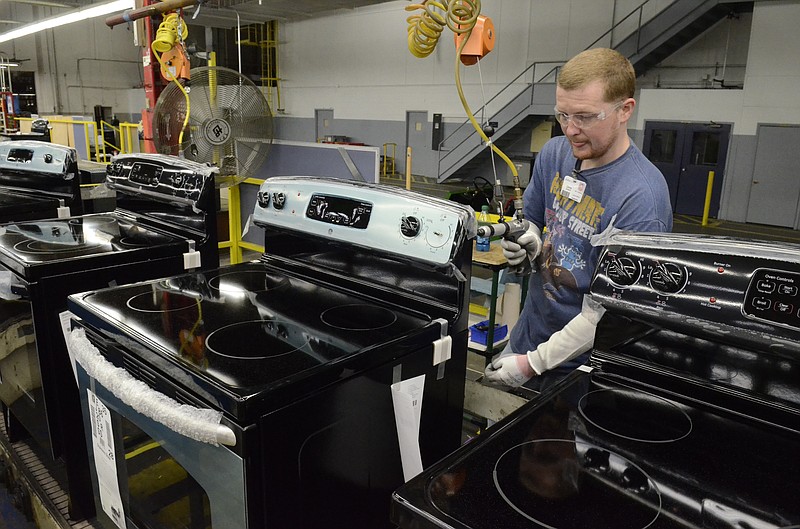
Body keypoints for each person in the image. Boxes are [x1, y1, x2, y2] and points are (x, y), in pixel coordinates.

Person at [483, 47, 672, 391]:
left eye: (585, 117)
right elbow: (537, 222)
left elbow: (610, 314)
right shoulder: (556, 153)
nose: (571, 130)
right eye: (562, 115)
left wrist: (532, 364)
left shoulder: (641, 199)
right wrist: (530, 243)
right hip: (529, 335)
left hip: (584, 368)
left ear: (624, 110)